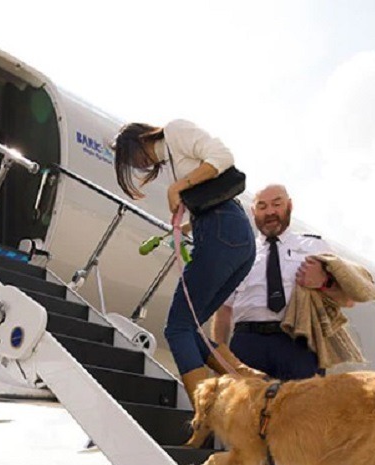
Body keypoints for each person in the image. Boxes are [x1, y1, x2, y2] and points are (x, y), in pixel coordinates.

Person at [212, 184, 354, 465]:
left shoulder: (313, 246)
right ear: (254, 212)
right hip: (248, 344)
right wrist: (222, 357)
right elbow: (223, 311)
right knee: (248, 436)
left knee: (308, 438)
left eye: (276, 204)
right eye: (262, 206)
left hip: (298, 344)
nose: (269, 211)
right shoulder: (241, 251)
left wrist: (323, 281)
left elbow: (348, 297)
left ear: (289, 206)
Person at [111, 121, 264, 403]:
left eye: (131, 157)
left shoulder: (175, 131)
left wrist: (178, 187)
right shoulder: (171, 159)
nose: (137, 165)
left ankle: (205, 411)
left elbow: (222, 157)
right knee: (190, 329)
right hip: (234, 237)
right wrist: (184, 228)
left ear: (139, 140)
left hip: (222, 231)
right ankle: (252, 383)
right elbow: (208, 199)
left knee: (177, 328)